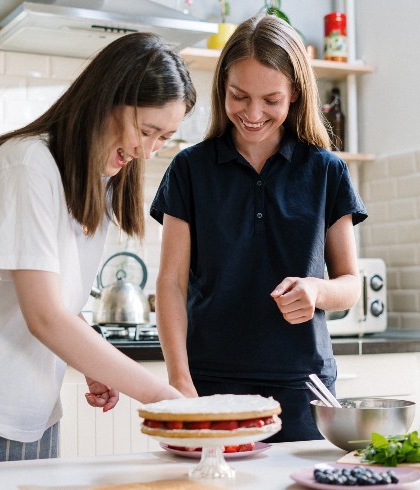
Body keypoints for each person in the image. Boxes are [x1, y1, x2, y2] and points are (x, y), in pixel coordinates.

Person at [0, 32, 195, 489]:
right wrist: (164, 398)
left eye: (164, 139)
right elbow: (45, 317)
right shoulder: (28, 164)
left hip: (28, 404)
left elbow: (61, 300)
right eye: (147, 131)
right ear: (107, 99)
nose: (147, 151)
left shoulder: (103, 183)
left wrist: (93, 359)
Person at [150, 15, 367, 443]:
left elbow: (350, 284)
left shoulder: (327, 171)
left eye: (271, 99)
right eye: (239, 96)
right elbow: (170, 283)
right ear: (222, 91)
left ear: (295, 95)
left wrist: (317, 291)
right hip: (209, 384)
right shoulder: (189, 170)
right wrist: (179, 378)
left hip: (304, 390)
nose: (252, 113)